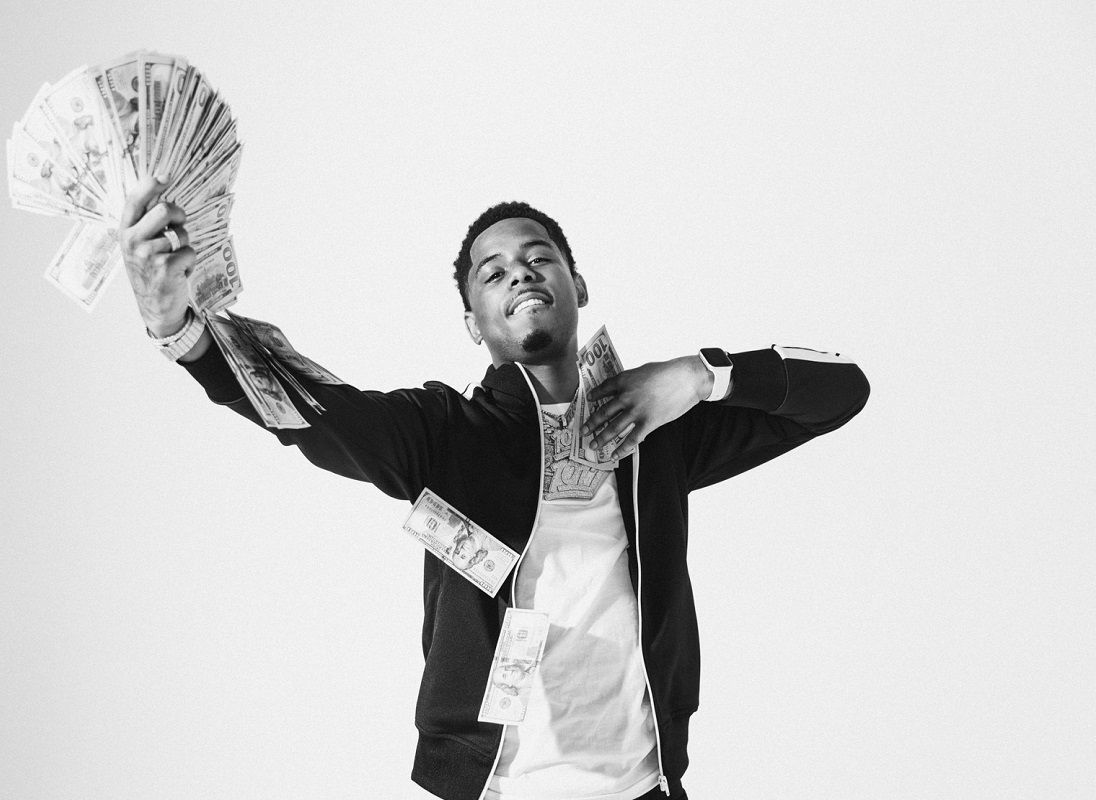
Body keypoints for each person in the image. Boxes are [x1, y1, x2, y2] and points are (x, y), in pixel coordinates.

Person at [119, 177, 870, 800]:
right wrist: (181, 331)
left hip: (645, 785)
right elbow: (317, 414)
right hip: (497, 789)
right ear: (473, 324)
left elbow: (841, 392)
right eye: (493, 271)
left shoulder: (659, 431)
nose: (520, 272)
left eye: (539, 258)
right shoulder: (446, 433)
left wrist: (701, 375)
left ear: (577, 285)